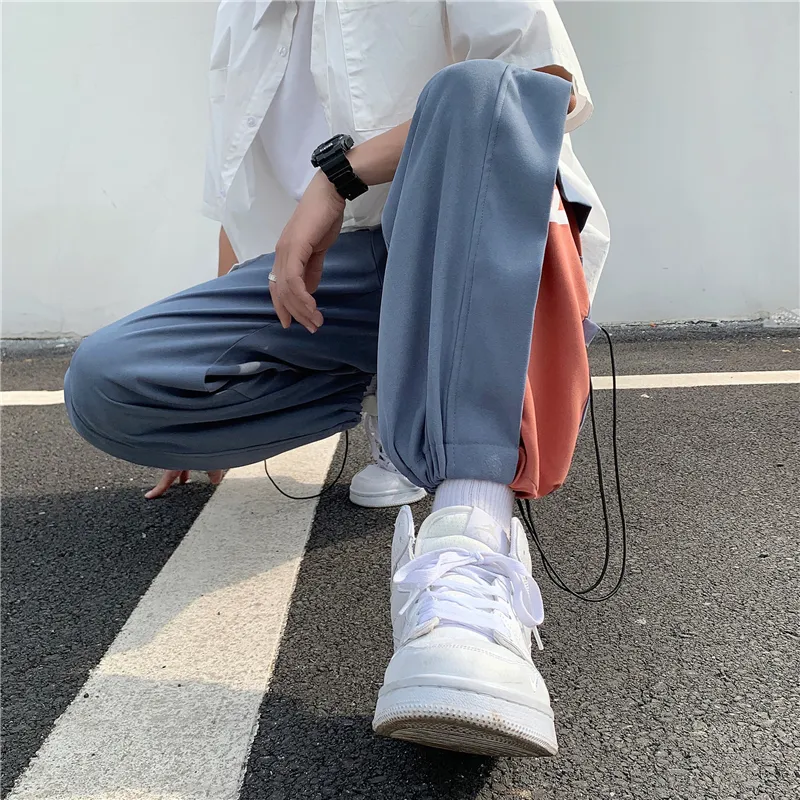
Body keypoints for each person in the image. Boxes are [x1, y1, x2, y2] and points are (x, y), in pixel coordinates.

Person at [65, 0, 609, 757]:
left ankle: (471, 550)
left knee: (476, 91)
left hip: (474, 242)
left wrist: (339, 176)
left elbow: (541, 83)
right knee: (107, 380)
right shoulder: (241, 15)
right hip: (335, 282)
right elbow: (239, 207)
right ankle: (408, 397)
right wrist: (205, 391)